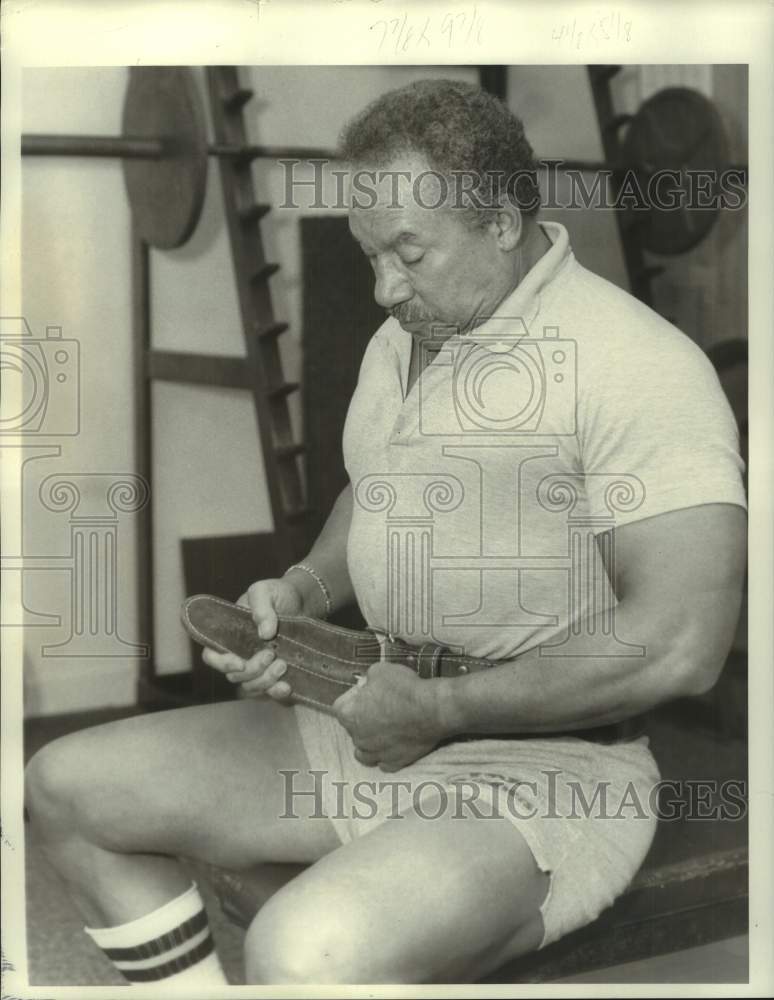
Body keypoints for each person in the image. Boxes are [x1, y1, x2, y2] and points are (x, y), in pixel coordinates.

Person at [25, 79, 747, 986]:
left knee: (303, 950)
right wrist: (305, 589)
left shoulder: (637, 366)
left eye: (409, 251)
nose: (382, 287)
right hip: (365, 721)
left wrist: (442, 711)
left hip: (549, 773)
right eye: (370, 253)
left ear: (500, 221)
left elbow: (680, 645)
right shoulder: (410, 331)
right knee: (64, 787)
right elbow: (377, 487)